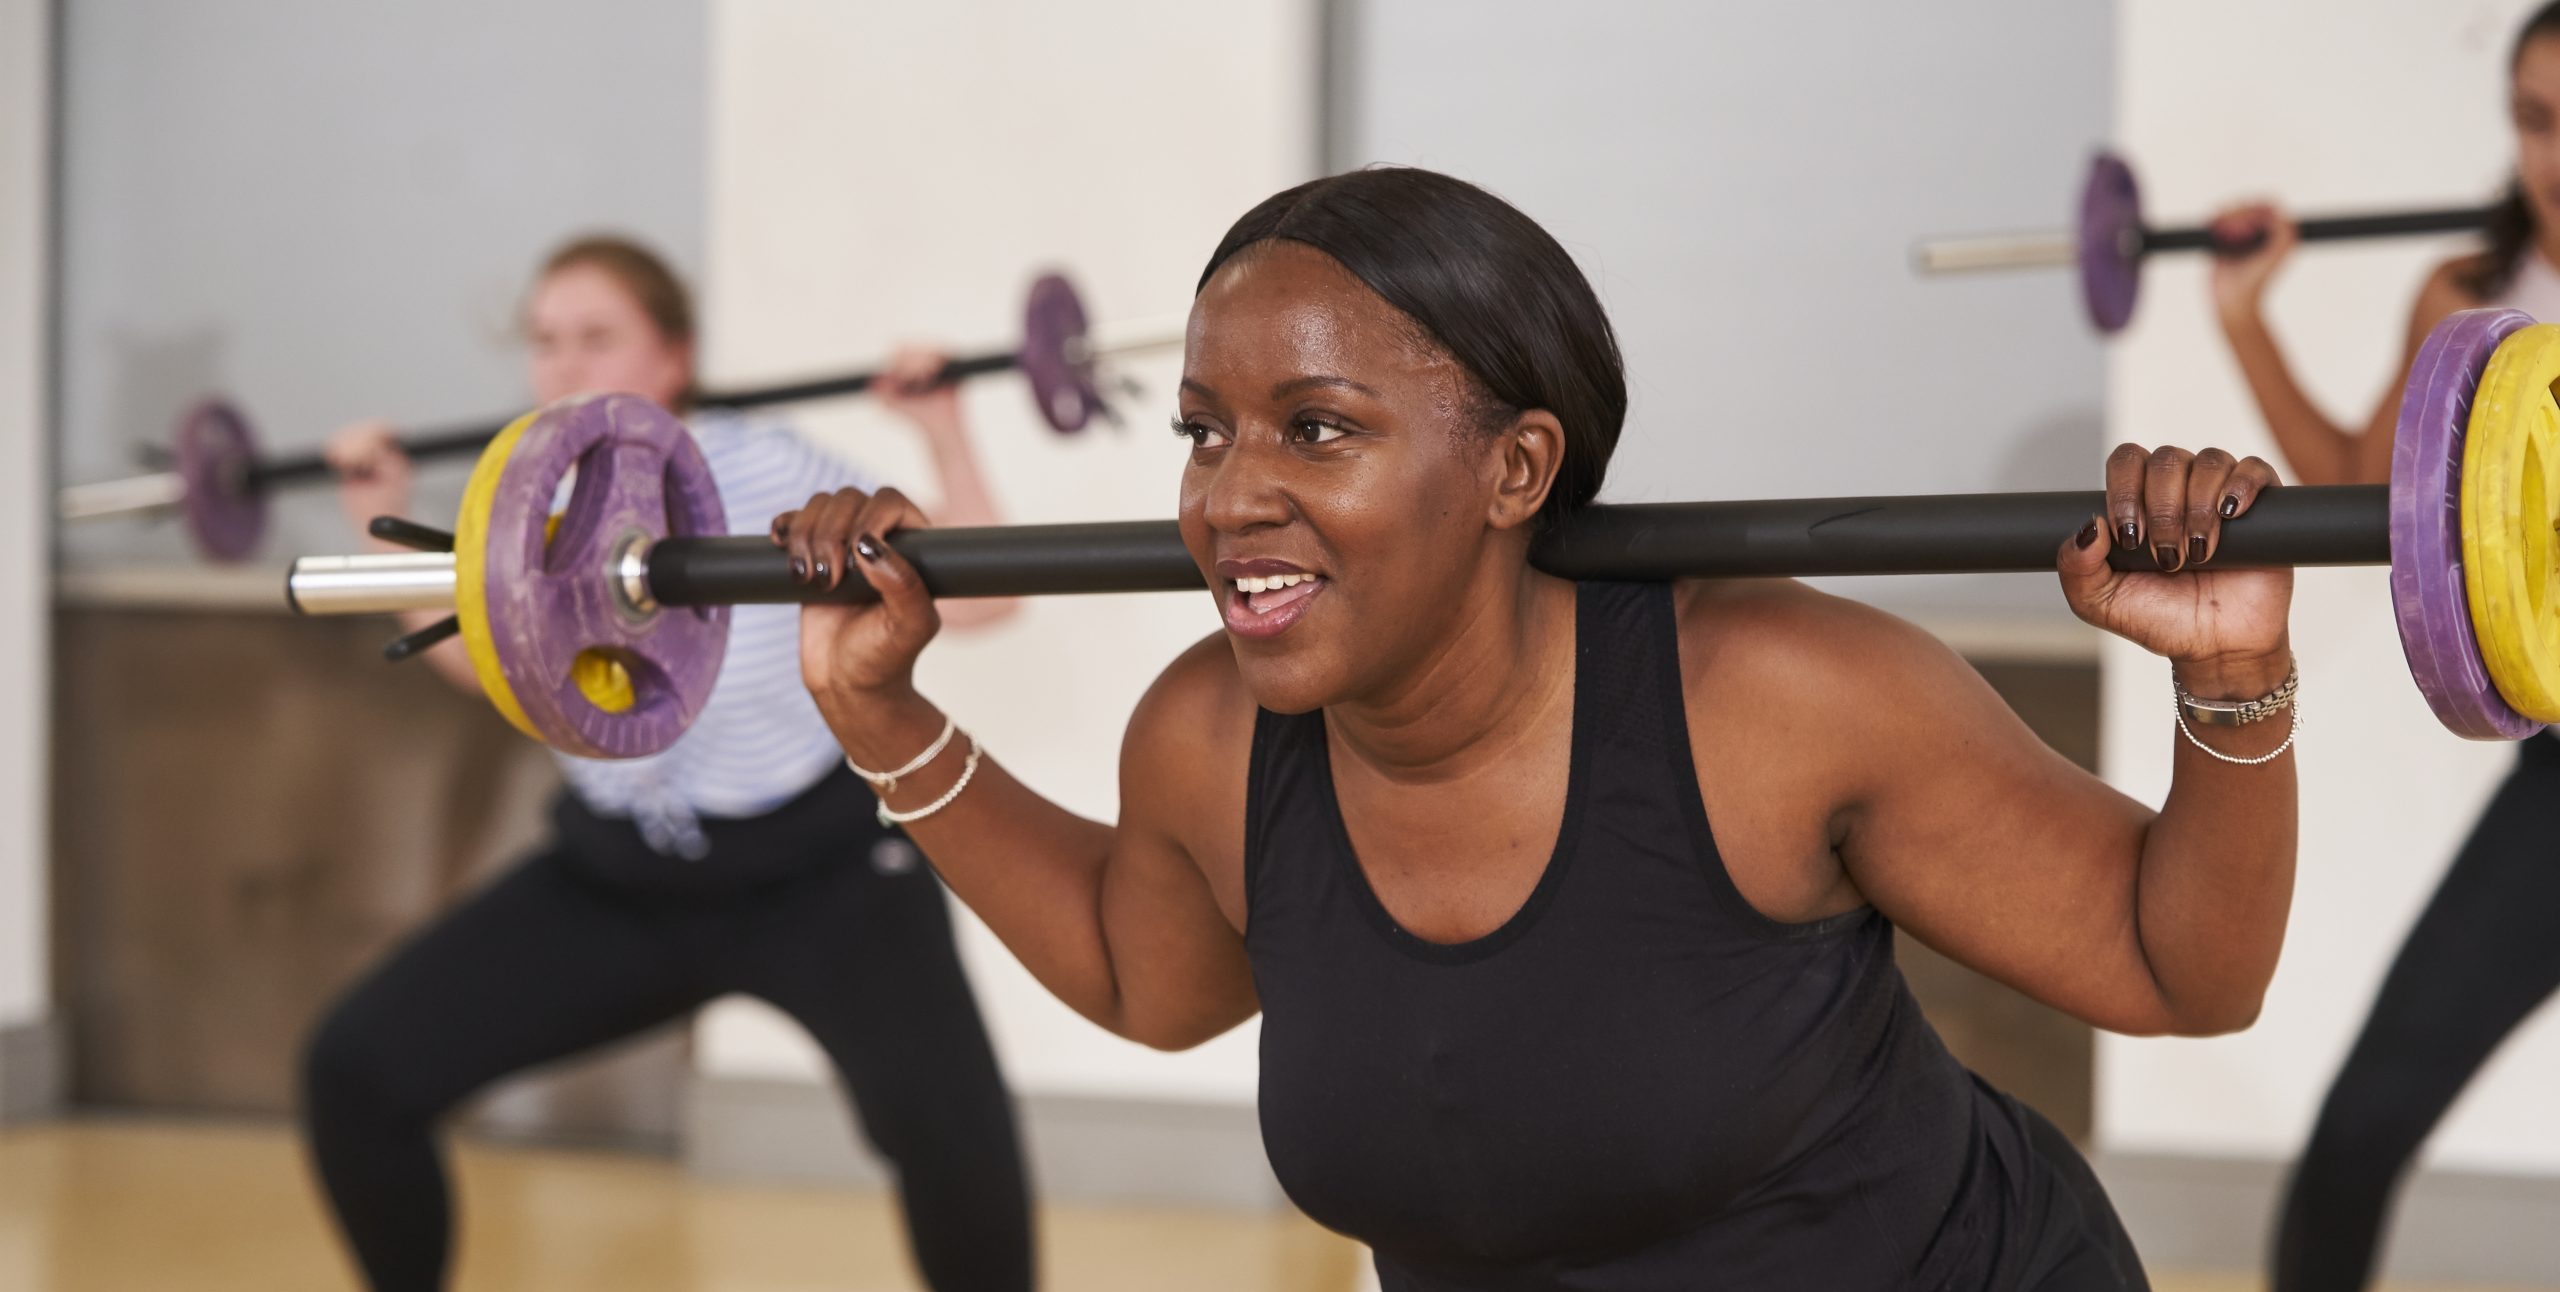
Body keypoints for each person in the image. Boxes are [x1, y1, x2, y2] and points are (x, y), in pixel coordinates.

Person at [772, 167, 2302, 1290]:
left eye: (1317, 427)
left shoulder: (1772, 697)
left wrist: (2229, 675)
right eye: (1205, 431)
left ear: (1516, 472)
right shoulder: (1210, 735)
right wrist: (877, 707)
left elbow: (2181, 967)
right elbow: (1144, 974)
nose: (1229, 495)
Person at [300, 235, 1034, 1292]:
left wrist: (941, 429)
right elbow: (486, 666)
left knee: (958, 1146)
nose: (562, 367)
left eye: (597, 337)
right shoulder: (527, 499)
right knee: (357, 1068)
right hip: (624, 874)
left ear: (671, 358)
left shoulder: (770, 468)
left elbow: (982, 598)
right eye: (546, 342)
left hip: (820, 873)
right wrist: (376, 513)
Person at [2207, 5, 2560, 1288]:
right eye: (2532, 118)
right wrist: (2245, 317)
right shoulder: (2472, 301)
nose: (2555, 155)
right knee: (2359, 1131)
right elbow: (2369, 495)